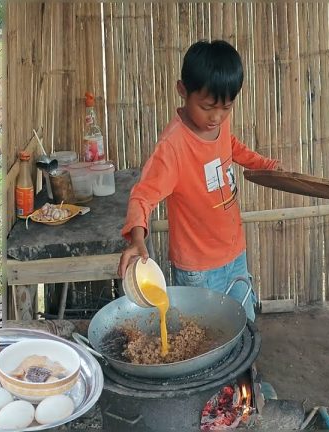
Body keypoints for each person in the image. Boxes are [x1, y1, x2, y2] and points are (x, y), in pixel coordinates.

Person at [117, 40, 282, 321]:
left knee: (244, 325)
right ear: (183, 90)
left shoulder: (218, 123)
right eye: (207, 107)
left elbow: (231, 145)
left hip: (235, 254)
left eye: (226, 108)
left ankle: (245, 368)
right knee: (206, 337)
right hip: (198, 270)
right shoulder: (173, 147)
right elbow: (142, 196)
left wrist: (265, 166)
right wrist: (136, 237)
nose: (216, 117)